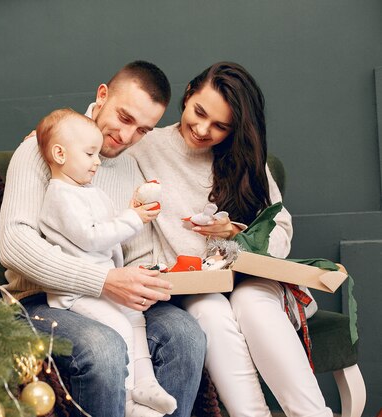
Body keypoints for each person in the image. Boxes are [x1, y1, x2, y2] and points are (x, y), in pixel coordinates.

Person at [0, 61, 206, 417]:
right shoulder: (42, 150)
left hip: (110, 296)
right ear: (102, 95)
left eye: (142, 130)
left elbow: (132, 247)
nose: (126, 137)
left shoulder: (129, 164)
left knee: (186, 335)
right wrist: (104, 280)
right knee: (103, 347)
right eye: (124, 118)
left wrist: (145, 278)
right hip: (40, 300)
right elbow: (15, 245)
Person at [127, 61, 332, 417]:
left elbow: (280, 230)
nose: (203, 130)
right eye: (199, 112)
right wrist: (48, 137)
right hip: (196, 289)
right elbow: (100, 137)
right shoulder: (147, 147)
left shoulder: (245, 159)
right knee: (210, 310)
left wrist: (238, 234)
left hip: (254, 280)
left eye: (220, 126)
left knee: (251, 302)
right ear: (188, 93)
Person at [36, 108, 177, 417]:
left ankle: (147, 384)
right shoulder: (59, 195)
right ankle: (127, 403)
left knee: (135, 314)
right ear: (59, 154)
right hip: (75, 292)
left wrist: (130, 211)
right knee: (117, 329)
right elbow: (91, 238)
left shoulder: (90, 192)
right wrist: (133, 219)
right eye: (89, 153)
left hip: (105, 280)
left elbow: (110, 233)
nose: (97, 161)